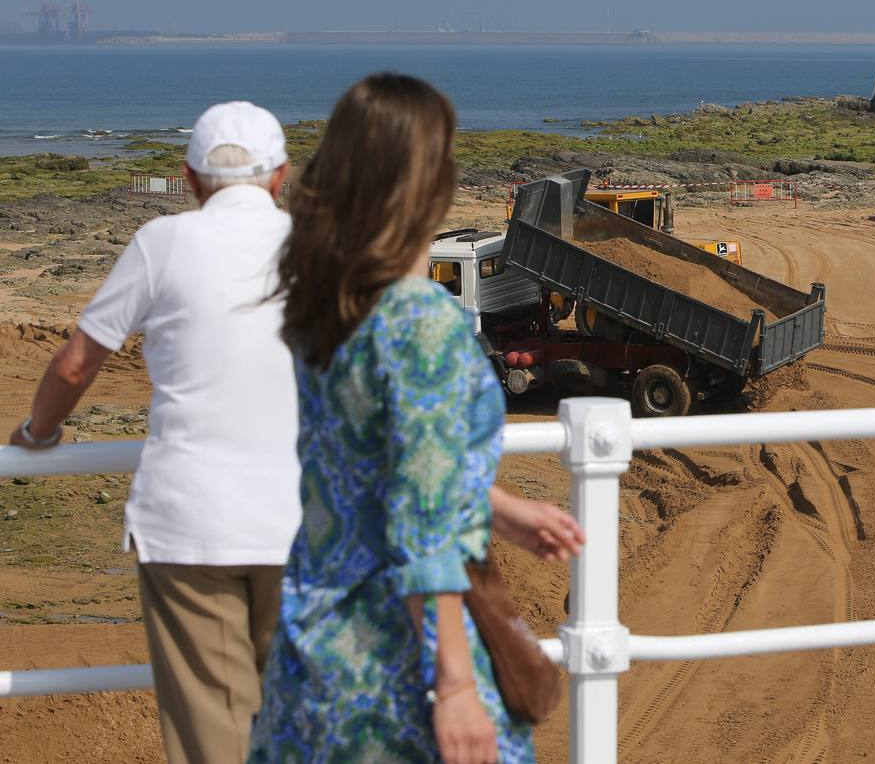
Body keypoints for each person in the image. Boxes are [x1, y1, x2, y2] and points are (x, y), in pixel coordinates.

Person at [8, 102, 582, 764]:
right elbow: (390, 436)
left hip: (188, 525)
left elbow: (77, 362)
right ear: (281, 176)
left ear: (190, 180)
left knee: (217, 737)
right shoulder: (330, 266)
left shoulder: (162, 244)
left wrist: (36, 432)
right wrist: (497, 506)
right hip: (303, 530)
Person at [249, 74, 532, 763]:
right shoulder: (420, 322)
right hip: (400, 662)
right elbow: (421, 519)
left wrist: (495, 505)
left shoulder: (322, 306)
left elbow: (371, 462)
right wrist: (458, 685)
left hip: (313, 648)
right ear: (426, 185)